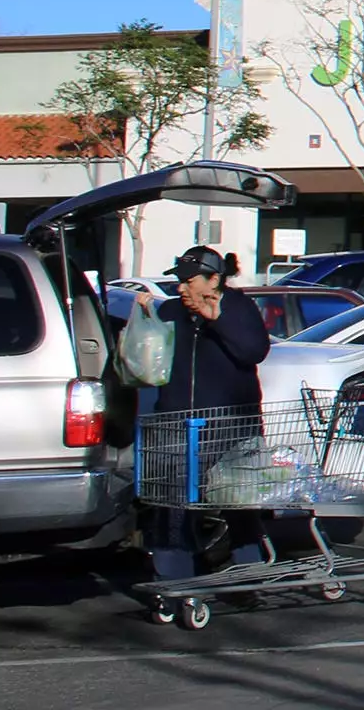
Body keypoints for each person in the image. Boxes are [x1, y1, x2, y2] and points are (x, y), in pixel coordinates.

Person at [135, 246, 274, 600]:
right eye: (179, 280)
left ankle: (248, 578)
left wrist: (217, 319)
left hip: (231, 423)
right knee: (172, 504)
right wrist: (145, 310)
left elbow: (254, 351)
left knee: (239, 503)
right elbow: (147, 341)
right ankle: (176, 585)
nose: (182, 287)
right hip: (178, 422)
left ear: (215, 279)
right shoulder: (174, 310)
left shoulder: (238, 308)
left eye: (189, 280)